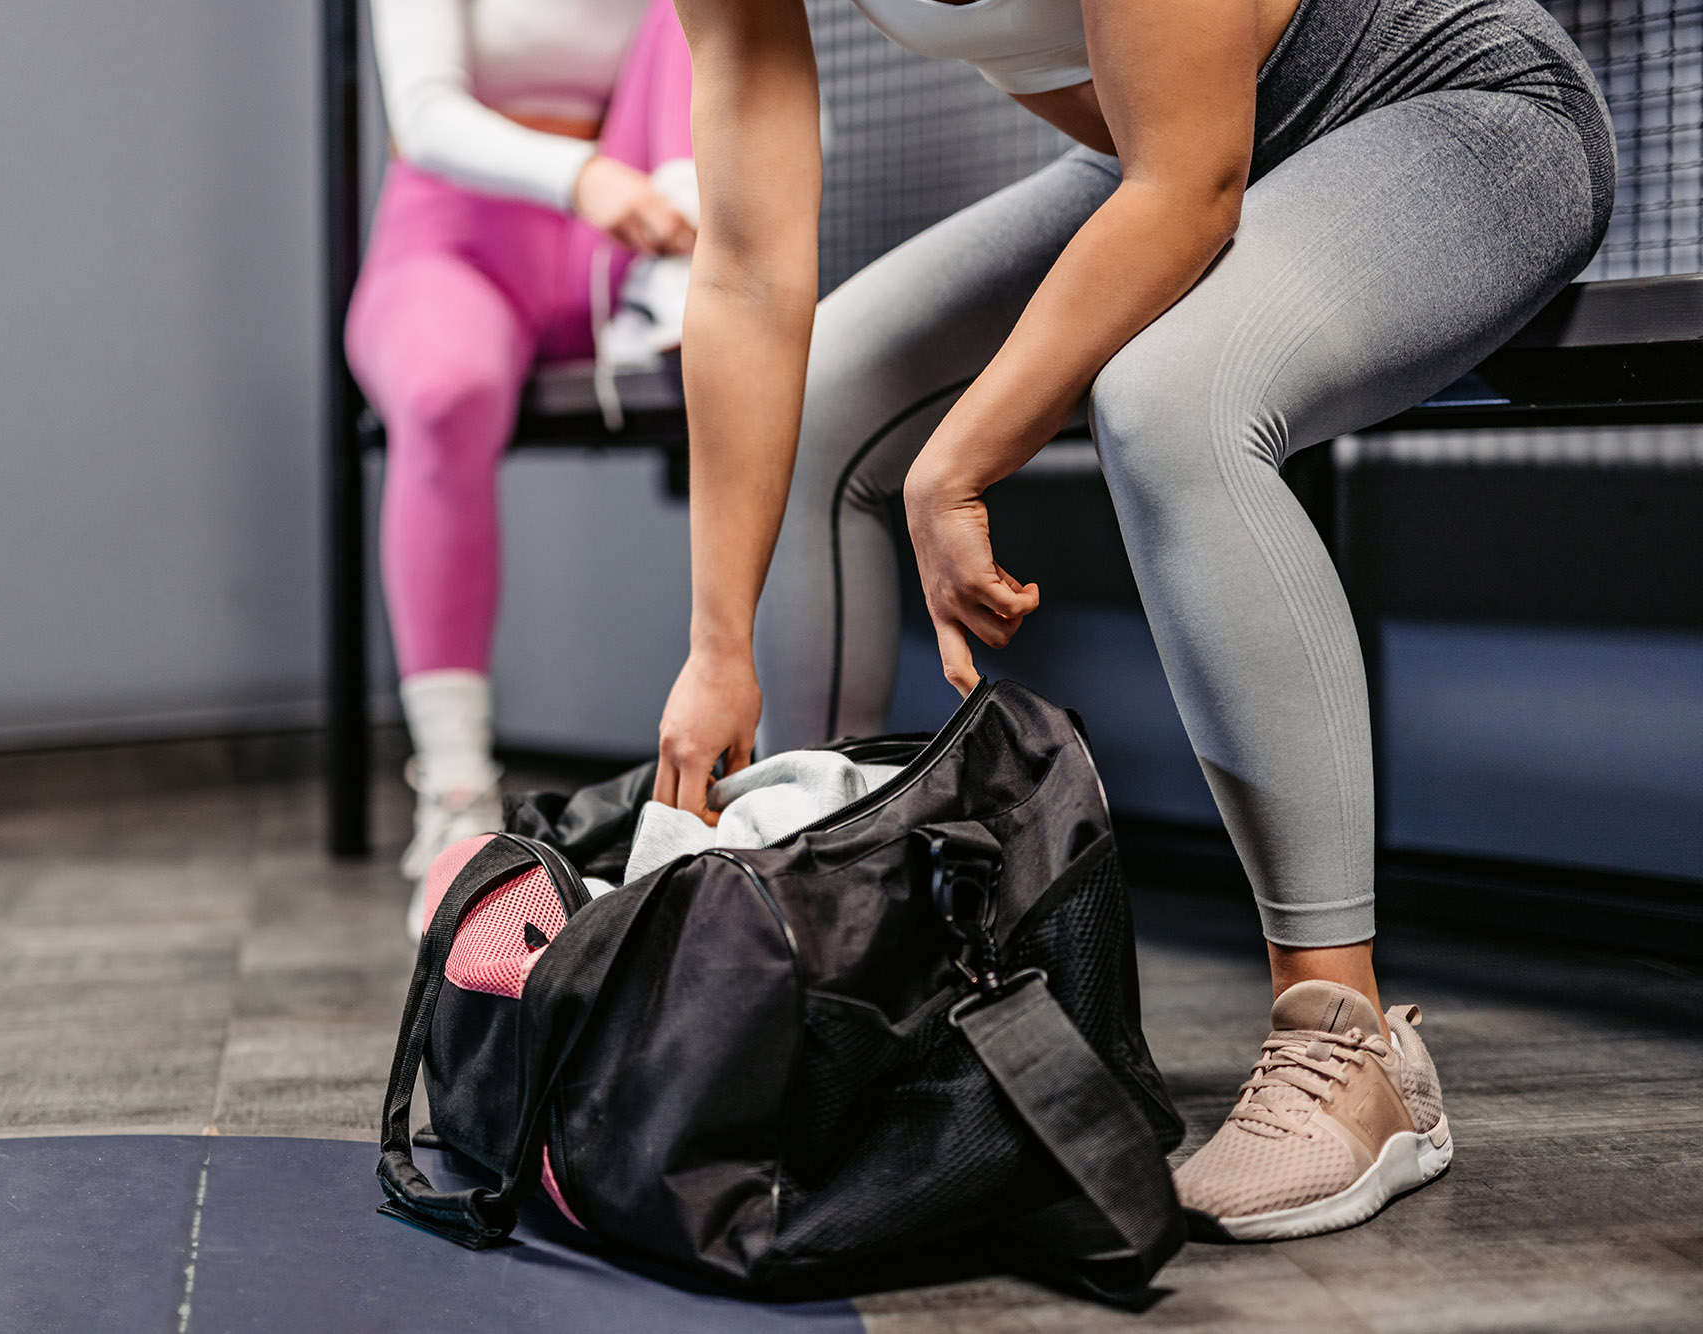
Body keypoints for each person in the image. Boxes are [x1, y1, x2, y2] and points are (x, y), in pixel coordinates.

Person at [654, 0, 1610, 1238]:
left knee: (1169, 399)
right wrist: (714, 643)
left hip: (1446, 106)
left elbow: (1190, 186)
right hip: (1154, 154)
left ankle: (1348, 1040)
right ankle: (823, 953)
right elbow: (745, 269)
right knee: (838, 378)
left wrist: (955, 466)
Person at [352, 0, 697, 938]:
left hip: (637, 242)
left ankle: (764, 787)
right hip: (460, 238)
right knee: (445, 391)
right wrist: (582, 176)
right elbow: (423, 113)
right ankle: (456, 790)